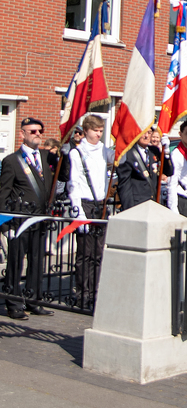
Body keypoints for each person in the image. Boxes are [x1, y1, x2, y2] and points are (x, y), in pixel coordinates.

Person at [0, 117, 56, 320]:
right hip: (19, 221)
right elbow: (3, 194)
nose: (38, 134)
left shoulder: (47, 157)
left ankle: (34, 300)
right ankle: (13, 303)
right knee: (16, 263)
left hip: (40, 219)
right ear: (22, 134)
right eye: (32, 131)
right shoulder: (12, 161)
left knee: (37, 261)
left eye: (40, 131)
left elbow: (64, 174)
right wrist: (5, 223)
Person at [68, 114, 114, 302]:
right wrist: (77, 210)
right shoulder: (77, 152)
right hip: (85, 203)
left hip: (100, 204)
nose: (98, 134)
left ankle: (96, 291)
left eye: (101, 131)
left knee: (98, 252)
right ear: (85, 130)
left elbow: (122, 156)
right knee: (84, 254)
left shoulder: (104, 150)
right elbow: (74, 183)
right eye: (95, 130)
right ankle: (82, 293)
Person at [117, 127, 174, 210]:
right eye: (143, 132)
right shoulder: (128, 154)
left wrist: (166, 153)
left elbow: (169, 171)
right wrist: (129, 209)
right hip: (137, 204)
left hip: (154, 203)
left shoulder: (154, 151)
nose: (146, 136)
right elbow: (124, 185)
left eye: (149, 133)